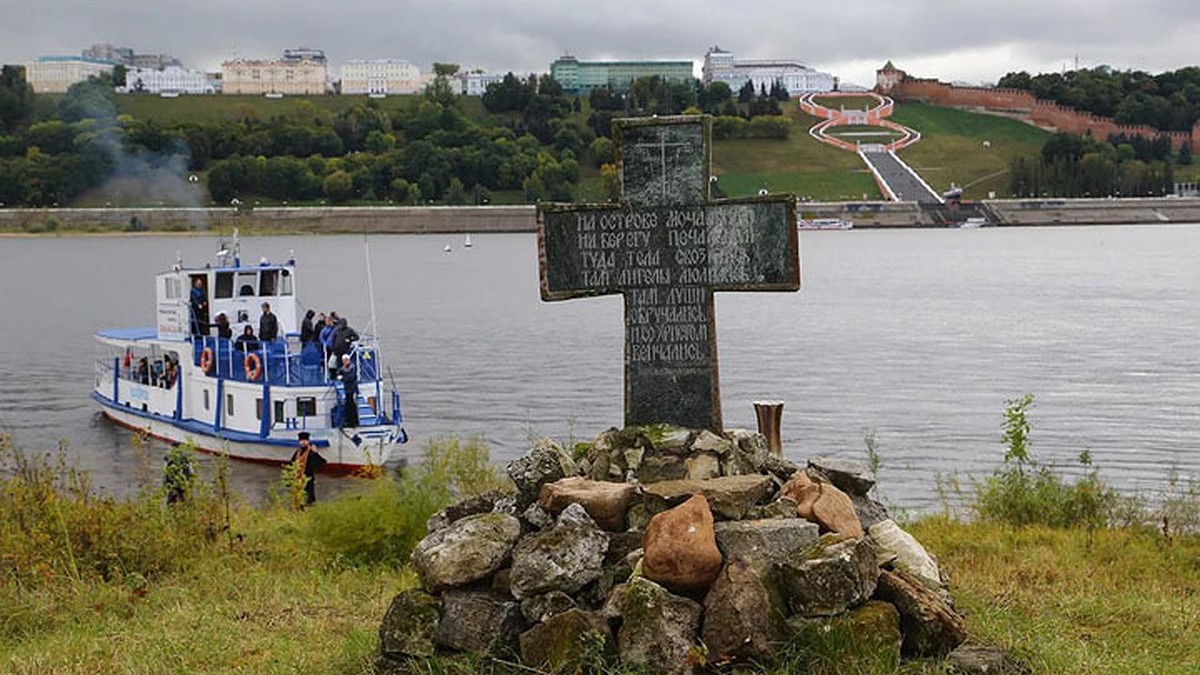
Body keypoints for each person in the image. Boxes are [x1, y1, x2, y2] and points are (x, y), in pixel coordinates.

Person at [289, 431, 326, 507]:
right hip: (298, 478)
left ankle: (309, 510)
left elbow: (322, 463)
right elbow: (292, 463)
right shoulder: (298, 451)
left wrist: (316, 453)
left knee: (308, 497)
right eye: (301, 441)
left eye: (305, 441)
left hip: (308, 478)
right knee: (298, 496)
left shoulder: (311, 451)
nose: (303, 442)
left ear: (308, 441)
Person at [338, 353, 359, 428]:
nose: (344, 362)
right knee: (348, 405)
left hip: (352, 389)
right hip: (347, 389)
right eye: (343, 360)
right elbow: (339, 373)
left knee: (352, 405)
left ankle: (354, 422)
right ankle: (349, 421)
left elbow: (350, 377)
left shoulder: (352, 367)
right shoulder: (343, 368)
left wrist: (342, 378)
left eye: (346, 360)